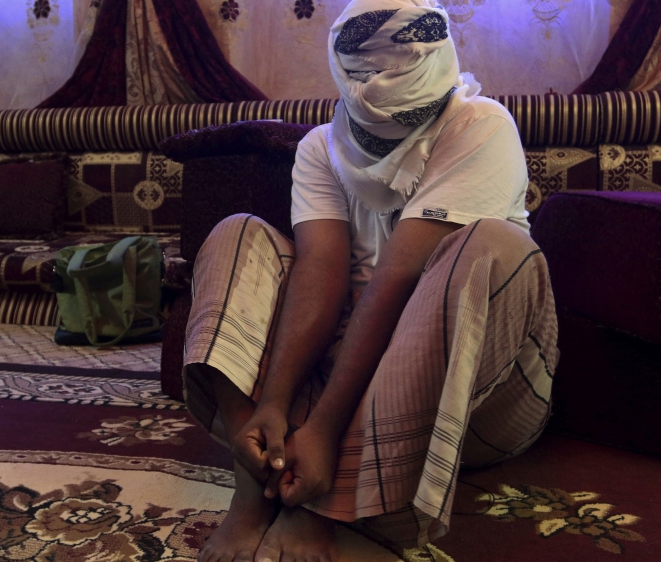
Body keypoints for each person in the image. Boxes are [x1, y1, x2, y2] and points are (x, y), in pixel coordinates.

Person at [181, 1, 559, 561]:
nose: (376, 90)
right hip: (335, 372)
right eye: (365, 75)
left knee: (492, 246)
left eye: (395, 77)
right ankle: (256, 470)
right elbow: (321, 271)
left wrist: (326, 429)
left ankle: (324, 498)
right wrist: (275, 403)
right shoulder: (321, 146)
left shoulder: (481, 126)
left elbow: (399, 280)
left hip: (467, 401)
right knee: (236, 234)